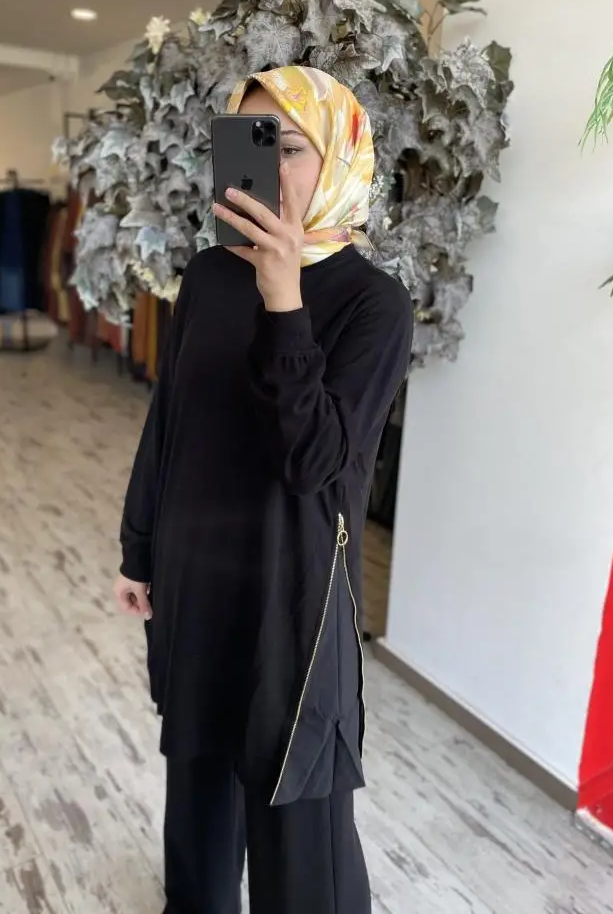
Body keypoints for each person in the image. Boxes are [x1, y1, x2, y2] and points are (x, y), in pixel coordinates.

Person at [114, 65, 413, 914]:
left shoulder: (373, 304)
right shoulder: (211, 276)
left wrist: (285, 300)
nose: (268, 168)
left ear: (340, 157)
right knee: (199, 786)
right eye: (249, 144)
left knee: (298, 821)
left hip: (295, 595)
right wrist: (139, 549)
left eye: (289, 147)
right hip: (196, 576)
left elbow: (318, 463)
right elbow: (170, 420)